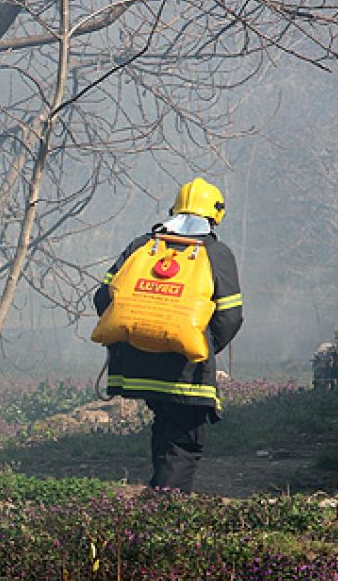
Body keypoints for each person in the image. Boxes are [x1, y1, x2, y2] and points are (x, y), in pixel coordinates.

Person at [94, 178, 243, 493]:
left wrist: (139, 338)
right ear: (215, 216)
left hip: (136, 368)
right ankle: (161, 516)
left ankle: (157, 504)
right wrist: (202, 346)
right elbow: (230, 316)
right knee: (186, 441)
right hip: (185, 370)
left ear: (174, 209)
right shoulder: (216, 253)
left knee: (167, 429)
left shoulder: (142, 246)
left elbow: (102, 299)